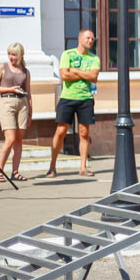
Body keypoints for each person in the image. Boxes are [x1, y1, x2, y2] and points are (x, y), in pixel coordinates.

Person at [48, 29, 100, 177]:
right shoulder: (67, 54)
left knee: (84, 132)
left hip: (86, 98)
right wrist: (85, 74)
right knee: (61, 131)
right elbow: (65, 75)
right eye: (88, 38)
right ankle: (52, 166)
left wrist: (75, 70)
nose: (91, 41)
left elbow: (93, 77)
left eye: (92, 39)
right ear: (80, 38)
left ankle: (83, 167)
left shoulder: (94, 58)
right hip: (68, 98)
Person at [0, 43, 32, 183]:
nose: (11, 57)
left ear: (20, 55)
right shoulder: (3, 67)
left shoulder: (26, 71)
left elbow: (29, 93)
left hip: (23, 105)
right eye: (10, 54)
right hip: (7, 103)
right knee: (10, 138)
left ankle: (15, 172)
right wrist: (10, 89)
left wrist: (30, 113)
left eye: (14, 54)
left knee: (19, 140)